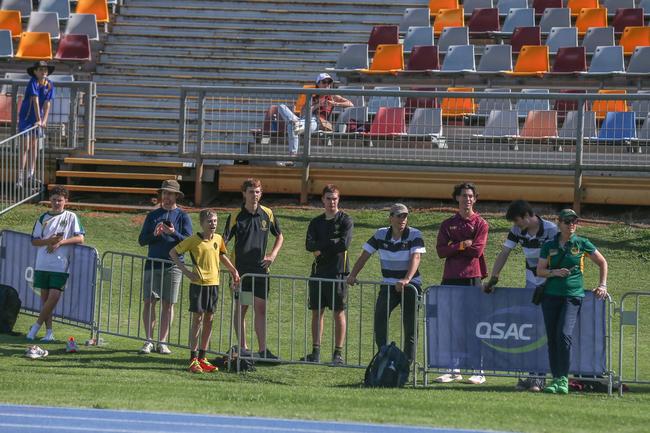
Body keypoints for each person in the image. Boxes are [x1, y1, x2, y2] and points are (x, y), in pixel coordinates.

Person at [483, 199, 558, 392]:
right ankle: (530, 376)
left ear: (527, 215)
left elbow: (558, 259)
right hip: (530, 283)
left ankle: (540, 378)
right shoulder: (518, 231)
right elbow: (505, 252)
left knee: (544, 331)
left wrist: (548, 283)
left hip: (550, 284)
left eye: (518, 221)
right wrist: (494, 277)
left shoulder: (551, 230)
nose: (516, 226)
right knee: (531, 329)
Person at [536, 209, 608, 395]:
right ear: (558, 223)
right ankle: (556, 379)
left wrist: (603, 285)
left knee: (563, 334)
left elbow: (602, 262)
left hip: (572, 296)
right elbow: (540, 270)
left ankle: (564, 378)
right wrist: (554, 272)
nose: (571, 225)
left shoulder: (582, 243)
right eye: (567, 221)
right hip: (550, 296)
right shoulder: (549, 245)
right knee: (552, 338)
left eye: (574, 221)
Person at [347, 203, 426, 364]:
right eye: (398, 216)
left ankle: (407, 362)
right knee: (380, 318)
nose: (402, 219)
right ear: (390, 218)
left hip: (411, 286)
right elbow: (364, 256)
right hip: (389, 285)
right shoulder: (380, 234)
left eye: (404, 216)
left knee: (410, 325)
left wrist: (406, 279)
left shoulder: (415, 234)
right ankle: (383, 355)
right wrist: (353, 275)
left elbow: (416, 257)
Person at [170, 209, 240, 373]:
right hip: (199, 285)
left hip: (214, 284)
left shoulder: (218, 239)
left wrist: (233, 270)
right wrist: (186, 272)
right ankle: (193, 359)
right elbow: (173, 252)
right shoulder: (193, 240)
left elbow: (221, 256)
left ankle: (203, 358)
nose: (213, 224)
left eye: (215, 221)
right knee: (198, 320)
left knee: (209, 320)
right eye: (209, 221)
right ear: (202, 223)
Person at [224, 178, 284, 359]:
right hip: (241, 272)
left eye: (257, 191)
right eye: (251, 192)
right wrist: (231, 268)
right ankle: (243, 347)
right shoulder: (236, 216)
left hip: (261, 272)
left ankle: (263, 350)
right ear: (244, 194)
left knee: (261, 309)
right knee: (242, 308)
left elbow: (280, 236)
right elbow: (222, 243)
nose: (254, 195)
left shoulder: (268, 213)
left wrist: (272, 256)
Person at [435, 182, 489, 385]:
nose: (467, 199)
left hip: (472, 277)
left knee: (473, 324)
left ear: (475, 199)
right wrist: (460, 245)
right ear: (456, 198)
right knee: (452, 324)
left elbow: (477, 251)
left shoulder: (481, 223)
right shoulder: (448, 224)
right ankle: (453, 369)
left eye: (470, 196)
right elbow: (441, 251)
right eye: (463, 195)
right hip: (450, 277)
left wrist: (454, 247)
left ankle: (479, 370)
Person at [137, 180, 192, 355]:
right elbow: (141, 240)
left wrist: (173, 233)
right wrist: (155, 235)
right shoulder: (152, 216)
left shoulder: (183, 216)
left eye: (170, 194)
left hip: (174, 266)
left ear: (176, 196)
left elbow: (190, 242)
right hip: (152, 263)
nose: (166, 197)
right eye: (164, 193)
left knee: (168, 304)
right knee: (149, 302)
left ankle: (163, 342)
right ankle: (148, 341)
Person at [302, 184, 353, 365]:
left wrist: (321, 248)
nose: (332, 202)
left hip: (338, 273)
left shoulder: (346, 220)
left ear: (339, 200)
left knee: (338, 312)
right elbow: (309, 244)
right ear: (322, 199)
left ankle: (337, 354)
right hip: (318, 273)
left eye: (335, 199)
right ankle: (315, 352)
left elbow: (343, 244)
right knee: (317, 312)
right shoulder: (316, 222)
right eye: (328, 198)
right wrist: (329, 244)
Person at [26, 186, 85, 342]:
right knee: (46, 301)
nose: (57, 203)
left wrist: (61, 242)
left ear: (66, 201)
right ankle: (49, 333)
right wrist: (49, 241)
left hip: (61, 265)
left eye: (60, 200)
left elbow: (80, 238)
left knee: (54, 297)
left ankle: (36, 326)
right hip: (42, 263)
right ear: (49, 200)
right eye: (54, 200)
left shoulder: (71, 216)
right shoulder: (43, 218)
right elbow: (34, 240)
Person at [276, 73, 353, 166]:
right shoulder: (312, 96)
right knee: (281, 106)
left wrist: (335, 104)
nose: (327, 85)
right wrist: (318, 105)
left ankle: (292, 158)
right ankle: (295, 123)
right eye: (324, 82)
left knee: (291, 126)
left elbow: (350, 103)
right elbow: (303, 112)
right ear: (318, 84)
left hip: (316, 121)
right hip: (304, 119)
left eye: (329, 83)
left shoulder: (332, 95)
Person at [17, 61, 55, 189]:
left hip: (38, 120)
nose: (43, 72)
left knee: (34, 147)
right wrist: (39, 120)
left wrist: (44, 121)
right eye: (40, 69)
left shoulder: (49, 84)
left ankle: (30, 174)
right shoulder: (33, 82)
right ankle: (20, 178)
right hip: (27, 118)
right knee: (25, 147)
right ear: (35, 71)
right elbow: (35, 101)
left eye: (45, 69)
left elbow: (47, 103)